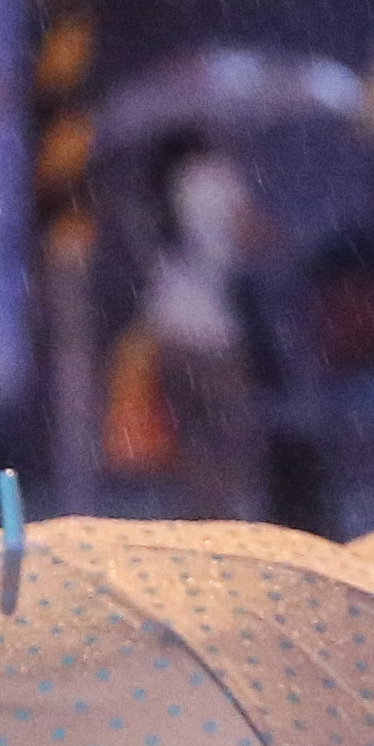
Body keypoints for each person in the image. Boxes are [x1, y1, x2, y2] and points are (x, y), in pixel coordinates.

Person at [141, 129, 266, 521]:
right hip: (213, 334)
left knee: (191, 441)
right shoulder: (217, 176)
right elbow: (249, 236)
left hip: (166, 332)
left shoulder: (157, 188)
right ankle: (220, 525)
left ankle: (194, 522)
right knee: (229, 442)